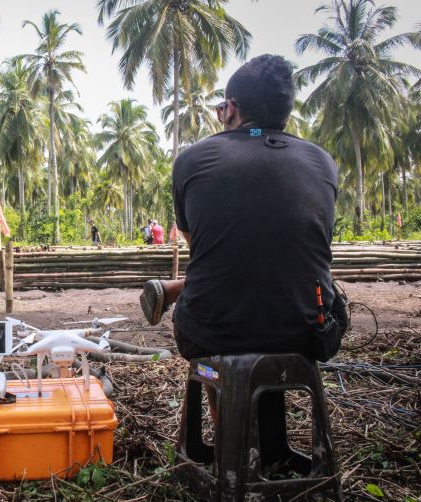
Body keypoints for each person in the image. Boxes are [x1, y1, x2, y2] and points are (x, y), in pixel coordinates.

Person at [139, 54, 347, 364]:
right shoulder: (322, 163)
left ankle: (223, 409)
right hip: (308, 334)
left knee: (211, 296)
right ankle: (179, 289)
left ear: (231, 109)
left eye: (222, 109)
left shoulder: (193, 159)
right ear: (286, 113)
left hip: (210, 333)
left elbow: (202, 248)